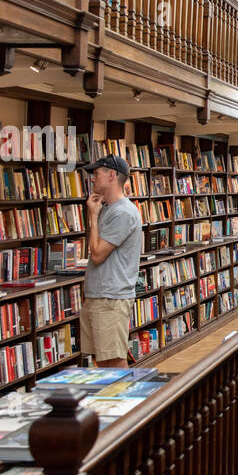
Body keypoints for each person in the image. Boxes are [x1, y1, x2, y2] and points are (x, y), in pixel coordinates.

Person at [82, 155, 143, 368]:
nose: (92, 178)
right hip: (99, 295)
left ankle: (128, 402)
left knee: (114, 360)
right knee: (101, 359)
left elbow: (97, 254)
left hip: (110, 298)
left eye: (96, 173)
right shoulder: (108, 209)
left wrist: (92, 217)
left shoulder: (123, 213)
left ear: (111, 175)